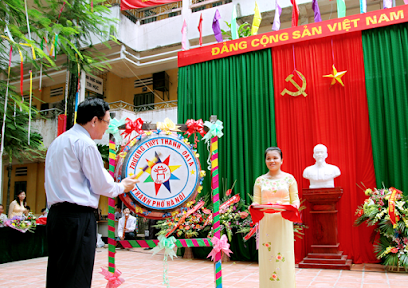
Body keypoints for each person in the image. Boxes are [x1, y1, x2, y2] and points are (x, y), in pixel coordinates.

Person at [44, 97, 139, 288]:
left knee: (58, 272)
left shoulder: (59, 142)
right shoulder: (85, 144)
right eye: (106, 122)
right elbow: (101, 185)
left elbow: (97, 175)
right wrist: (122, 187)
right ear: (94, 120)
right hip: (77, 218)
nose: (106, 128)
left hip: (56, 217)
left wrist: (115, 182)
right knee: (77, 274)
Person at [253, 147, 299, 288]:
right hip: (266, 222)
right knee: (268, 255)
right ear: (265, 160)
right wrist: (254, 206)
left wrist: (294, 207)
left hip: (283, 220)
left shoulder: (289, 178)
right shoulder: (260, 181)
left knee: (284, 255)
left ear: (281, 160)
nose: (272, 161)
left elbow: (295, 200)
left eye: (275, 158)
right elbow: (256, 201)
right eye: (268, 158)